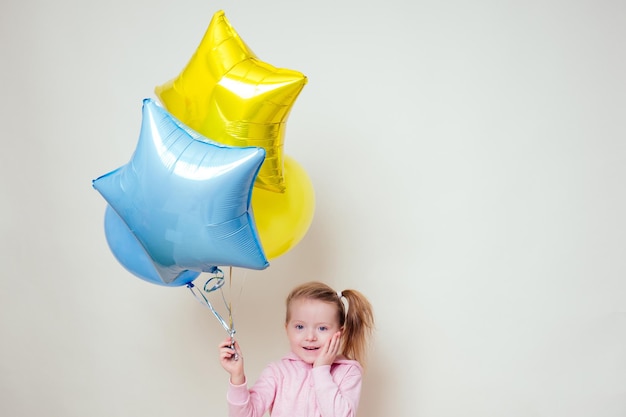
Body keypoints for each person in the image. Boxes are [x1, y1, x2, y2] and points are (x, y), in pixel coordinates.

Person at [218, 281, 375, 417]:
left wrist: (321, 370)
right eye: (300, 326)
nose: (310, 337)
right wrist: (237, 376)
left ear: (339, 333)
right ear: (287, 329)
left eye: (322, 328)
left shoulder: (348, 372)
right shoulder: (277, 372)